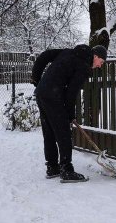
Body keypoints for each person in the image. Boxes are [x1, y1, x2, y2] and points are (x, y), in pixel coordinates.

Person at [31, 44, 107, 182]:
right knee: (64, 133)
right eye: (101, 62)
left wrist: (36, 79)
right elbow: (71, 93)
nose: (100, 66)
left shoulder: (68, 52)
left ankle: (52, 167)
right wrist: (70, 114)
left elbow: (44, 56)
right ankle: (67, 170)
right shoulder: (83, 66)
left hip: (42, 93)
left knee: (49, 132)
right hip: (54, 96)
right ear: (95, 56)